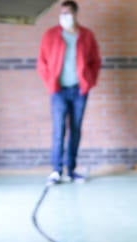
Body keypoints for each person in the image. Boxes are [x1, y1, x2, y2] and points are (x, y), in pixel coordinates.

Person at [36, 0, 100, 185]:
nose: (64, 16)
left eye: (68, 13)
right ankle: (56, 170)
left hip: (79, 90)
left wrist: (89, 81)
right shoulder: (50, 35)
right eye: (62, 13)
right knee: (59, 130)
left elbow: (95, 61)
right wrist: (50, 82)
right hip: (58, 90)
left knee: (75, 130)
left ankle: (71, 169)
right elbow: (42, 63)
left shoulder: (86, 35)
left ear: (75, 14)